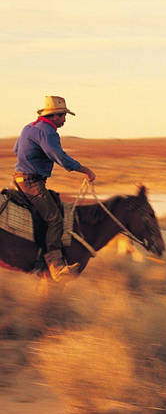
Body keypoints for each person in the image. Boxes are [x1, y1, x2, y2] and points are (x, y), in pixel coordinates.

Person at [13, 96, 96, 281]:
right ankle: (56, 266)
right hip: (32, 183)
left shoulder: (28, 127)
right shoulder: (48, 132)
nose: (65, 119)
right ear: (55, 116)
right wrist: (86, 170)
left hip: (19, 179)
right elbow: (61, 158)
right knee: (55, 219)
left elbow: (16, 150)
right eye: (63, 115)